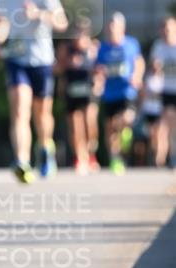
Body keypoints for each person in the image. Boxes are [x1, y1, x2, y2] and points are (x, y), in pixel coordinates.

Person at [0, 0, 68, 183]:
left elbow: (62, 22)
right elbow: (1, 25)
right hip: (16, 60)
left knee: (42, 113)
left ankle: (45, 148)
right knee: (19, 110)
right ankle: (22, 161)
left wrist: (39, 14)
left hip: (41, 59)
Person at [95, 12, 145, 175]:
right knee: (110, 128)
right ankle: (115, 159)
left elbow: (139, 62)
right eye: (109, 26)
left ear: (122, 28)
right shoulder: (103, 48)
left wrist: (137, 76)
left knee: (126, 118)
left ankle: (126, 133)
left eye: (114, 26)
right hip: (109, 93)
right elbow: (98, 69)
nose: (111, 29)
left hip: (126, 90)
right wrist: (99, 77)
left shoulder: (131, 44)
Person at [55, 19, 100, 174]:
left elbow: (101, 68)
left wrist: (98, 81)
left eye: (81, 32)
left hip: (88, 90)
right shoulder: (66, 49)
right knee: (75, 126)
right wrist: (67, 63)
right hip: (71, 90)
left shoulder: (93, 48)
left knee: (90, 122)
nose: (77, 36)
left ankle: (91, 153)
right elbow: (57, 69)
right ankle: (80, 157)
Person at [148, 16, 176, 167]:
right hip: (166, 90)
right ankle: (168, 156)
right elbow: (154, 67)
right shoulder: (158, 46)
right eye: (164, 29)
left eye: (169, 29)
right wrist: (156, 67)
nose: (166, 32)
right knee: (167, 123)